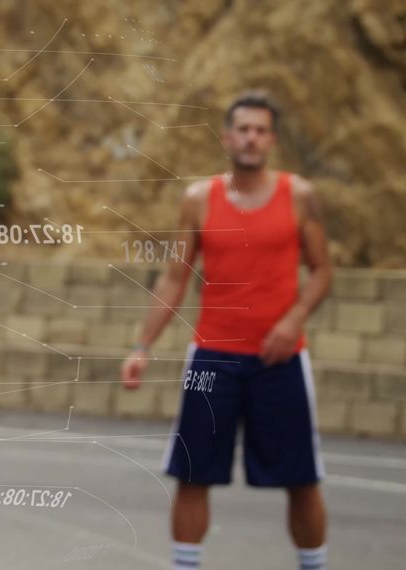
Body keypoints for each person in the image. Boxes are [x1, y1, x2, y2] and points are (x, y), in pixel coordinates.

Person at [120, 91, 333, 570]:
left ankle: (314, 565)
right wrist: (142, 345)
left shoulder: (299, 195)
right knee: (192, 474)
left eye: (260, 130)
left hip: (281, 359)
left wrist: (292, 321)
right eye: (243, 128)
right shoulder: (198, 199)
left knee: (302, 479)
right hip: (213, 357)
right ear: (227, 136)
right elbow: (175, 276)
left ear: (271, 140)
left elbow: (322, 271)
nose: (251, 138)